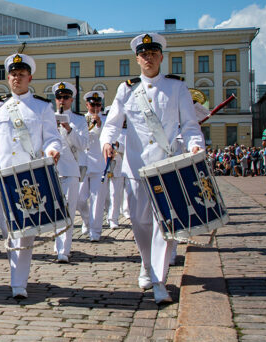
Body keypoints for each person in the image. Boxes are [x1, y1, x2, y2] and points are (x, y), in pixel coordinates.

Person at [100, 33, 204, 305]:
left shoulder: (177, 88)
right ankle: (146, 264)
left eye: (153, 53)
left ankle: (159, 280)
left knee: (164, 224)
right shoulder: (126, 89)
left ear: (161, 57)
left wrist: (195, 146)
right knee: (140, 223)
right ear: (137, 59)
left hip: (168, 166)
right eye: (143, 54)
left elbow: (190, 125)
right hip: (136, 165)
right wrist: (107, 141)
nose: (148, 58)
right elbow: (112, 123)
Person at [0, 53, 62, 300]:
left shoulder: (42, 107)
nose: (16, 79)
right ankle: (17, 274)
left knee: (24, 228)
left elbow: (52, 137)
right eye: (12, 75)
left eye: (21, 75)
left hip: (30, 177)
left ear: (29, 78)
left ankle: (18, 282)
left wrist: (53, 149)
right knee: (7, 228)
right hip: (4, 178)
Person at [52, 81, 88, 261]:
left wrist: (69, 129)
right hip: (50, 171)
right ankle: (57, 242)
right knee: (54, 210)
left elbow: (83, 144)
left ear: (71, 99)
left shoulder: (80, 120)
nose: (62, 100)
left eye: (65, 97)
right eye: (59, 97)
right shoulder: (48, 117)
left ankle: (63, 250)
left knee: (67, 209)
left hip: (69, 170)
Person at [78, 90, 108, 240]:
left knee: (97, 200)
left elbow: (109, 138)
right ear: (87, 105)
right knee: (79, 198)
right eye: (92, 104)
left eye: (98, 105)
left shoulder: (106, 120)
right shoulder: (80, 119)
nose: (95, 107)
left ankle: (95, 232)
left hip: (99, 165)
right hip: (83, 164)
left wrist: (100, 125)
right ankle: (86, 220)